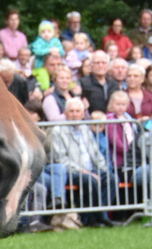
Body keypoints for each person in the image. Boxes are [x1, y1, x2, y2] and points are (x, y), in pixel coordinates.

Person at [45, 95, 109, 227]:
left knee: (110, 178)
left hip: (90, 170)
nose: (74, 115)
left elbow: (96, 153)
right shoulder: (57, 131)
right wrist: (83, 171)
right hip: (72, 172)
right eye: (71, 111)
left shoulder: (86, 128)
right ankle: (93, 218)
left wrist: (103, 169)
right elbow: (61, 158)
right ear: (65, 113)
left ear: (82, 114)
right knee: (88, 180)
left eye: (77, 111)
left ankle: (98, 216)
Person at [81, 48, 112, 113]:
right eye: (97, 63)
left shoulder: (114, 84)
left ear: (108, 65)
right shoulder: (83, 83)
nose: (100, 66)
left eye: (104, 63)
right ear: (91, 65)